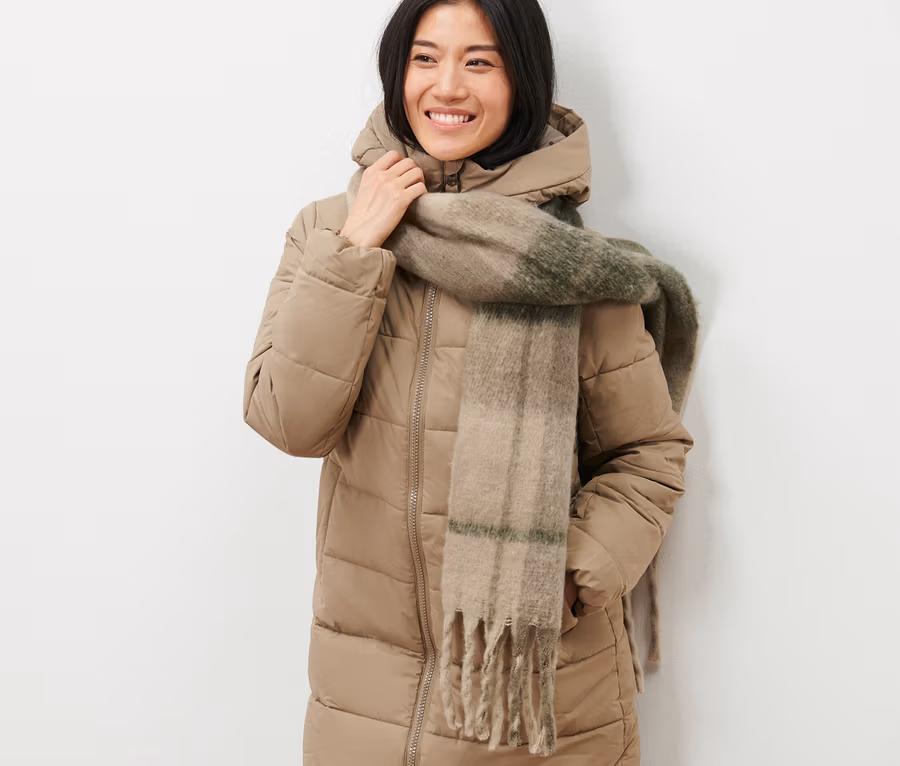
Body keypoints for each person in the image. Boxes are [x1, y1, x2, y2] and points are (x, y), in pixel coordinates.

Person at [243, 0, 694, 763]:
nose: (447, 85)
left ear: (522, 80)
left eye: (479, 62)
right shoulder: (329, 232)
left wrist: (564, 575)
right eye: (425, 58)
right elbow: (289, 420)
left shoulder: (573, 270)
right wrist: (356, 250)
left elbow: (647, 455)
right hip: (365, 695)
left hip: (537, 697)